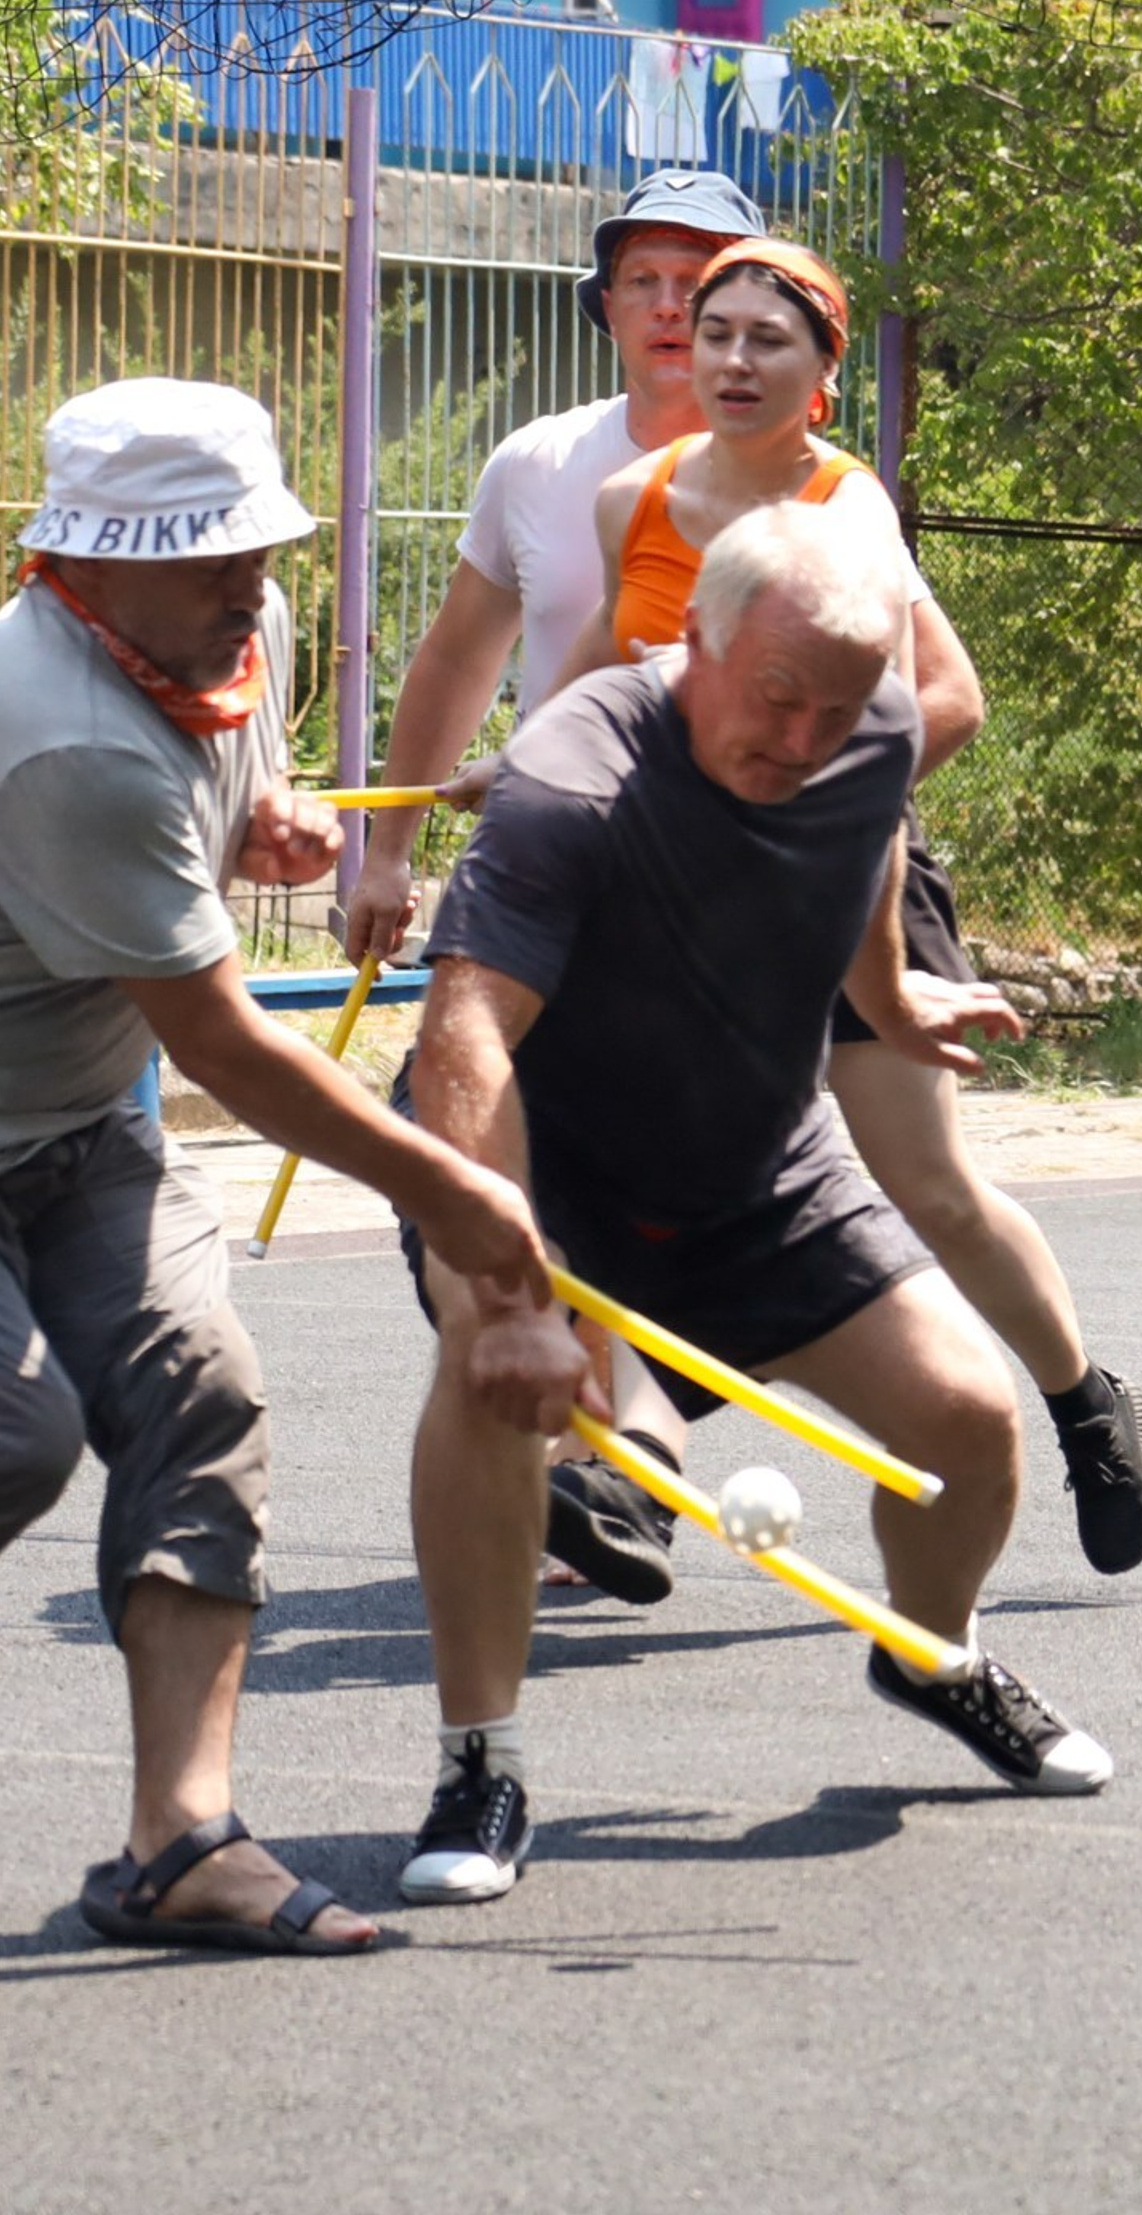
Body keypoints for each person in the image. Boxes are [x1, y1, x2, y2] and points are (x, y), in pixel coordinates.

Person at [399, 506, 1111, 1906]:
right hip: (558, 1175)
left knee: (970, 1423)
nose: (803, 741)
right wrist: (506, 1284)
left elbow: (867, 852)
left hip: (762, 1173)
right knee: (492, 1394)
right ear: (697, 639)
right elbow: (462, 1040)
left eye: (836, 709)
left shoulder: (872, 728)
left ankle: (931, 1655)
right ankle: (478, 1761)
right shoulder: (574, 779)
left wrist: (892, 996)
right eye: (779, 700)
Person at [0, 381, 556, 1955]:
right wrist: (455, 1189)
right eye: (204, 558)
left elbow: (231, 773)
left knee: (202, 1387)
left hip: (86, 1123)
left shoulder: (235, 632)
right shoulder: (60, 741)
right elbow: (235, 1053)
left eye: (256, 546)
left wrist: (267, 824)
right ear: (78, 572)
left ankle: (181, 1844)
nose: (246, 583)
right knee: (16, 1430)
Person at [548, 237, 1142, 1596]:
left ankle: (1081, 1405)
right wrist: (535, 772)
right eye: (715, 334)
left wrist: (796, 801)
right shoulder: (628, 501)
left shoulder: (844, 511)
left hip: (844, 877)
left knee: (925, 1186)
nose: (733, 360)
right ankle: (627, 1469)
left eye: (771, 340)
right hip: (684, 906)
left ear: (824, 377)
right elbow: (608, 665)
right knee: (664, 1191)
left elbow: (946, 698)